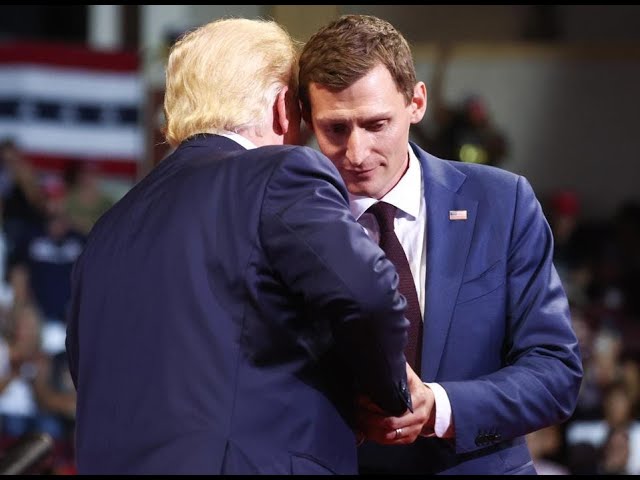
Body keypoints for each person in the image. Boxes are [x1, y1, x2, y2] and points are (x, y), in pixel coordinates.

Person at [65, 18, 413, 475]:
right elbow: (367, 293)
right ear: (281, 107)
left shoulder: (109, 228)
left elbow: (85, 364)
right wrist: (390, 396)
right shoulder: (277, 174)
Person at [298, 14, 583, 475]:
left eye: (376, 124)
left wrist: (441, 408)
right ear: (307, 119)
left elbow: (556, 373)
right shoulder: (287, 223)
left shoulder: (501, 203)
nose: (356, 152)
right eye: (335, 129)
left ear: (417, 102)